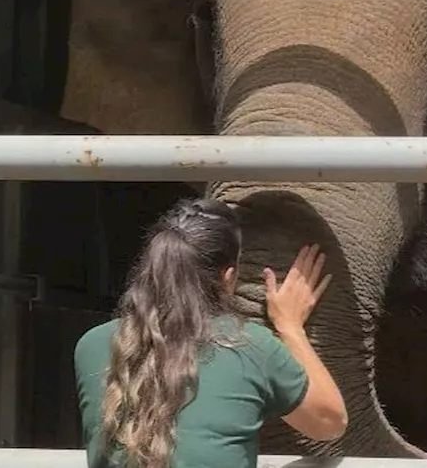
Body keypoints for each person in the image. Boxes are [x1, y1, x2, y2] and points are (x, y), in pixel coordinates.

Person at [73, 198, 348, 468]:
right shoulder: (251, 345)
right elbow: (329, 422)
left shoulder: (91, 345)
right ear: (228, 278)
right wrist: (291, 328)